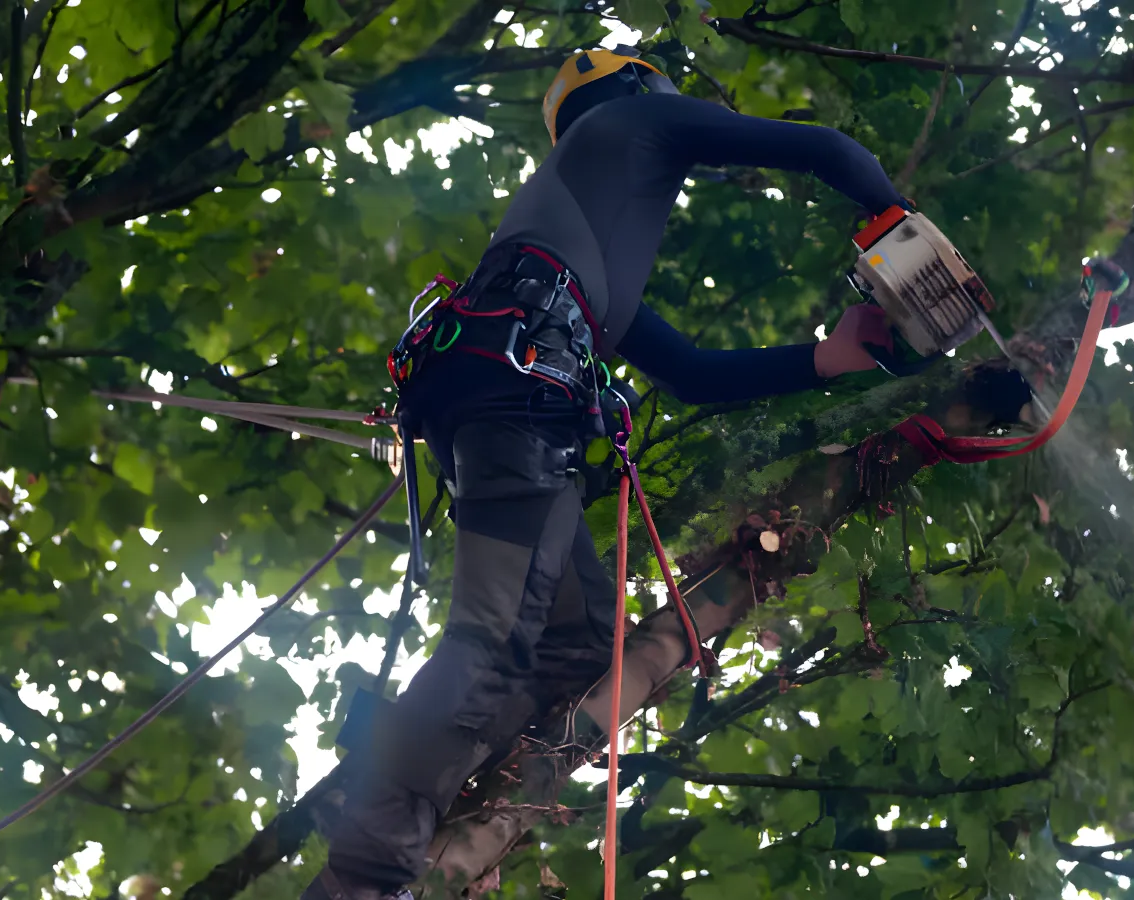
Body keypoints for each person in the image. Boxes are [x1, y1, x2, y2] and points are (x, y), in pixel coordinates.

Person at [301, 45, 913, 900]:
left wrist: (828, 358)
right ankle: (367, 873)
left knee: (578, 651)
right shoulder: (630, 122)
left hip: (512, 403)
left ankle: (408, 798)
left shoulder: (583, 261)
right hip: (512, 397)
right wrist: (902, 227)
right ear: (633, 88)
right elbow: (818, 148)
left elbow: (692, 374)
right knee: (495, 636)